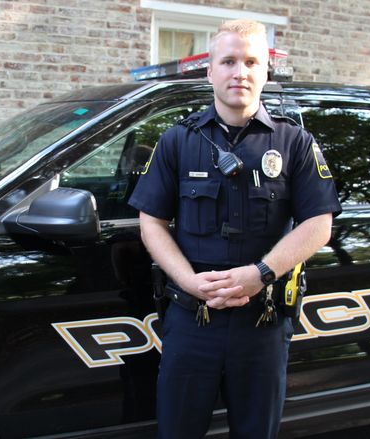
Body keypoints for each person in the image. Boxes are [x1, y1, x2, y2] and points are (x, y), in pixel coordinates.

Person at [128, 19, 342, 439]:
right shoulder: (176, 140)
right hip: (192, 321)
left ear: (265, 71)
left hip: (261, 322)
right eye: (228, 61)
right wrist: (188, 280)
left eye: (250, 62)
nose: (239, 72)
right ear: (210, 71)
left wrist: (259, 273)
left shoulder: (294, 142)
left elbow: (319, 224)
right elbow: (150, 221)